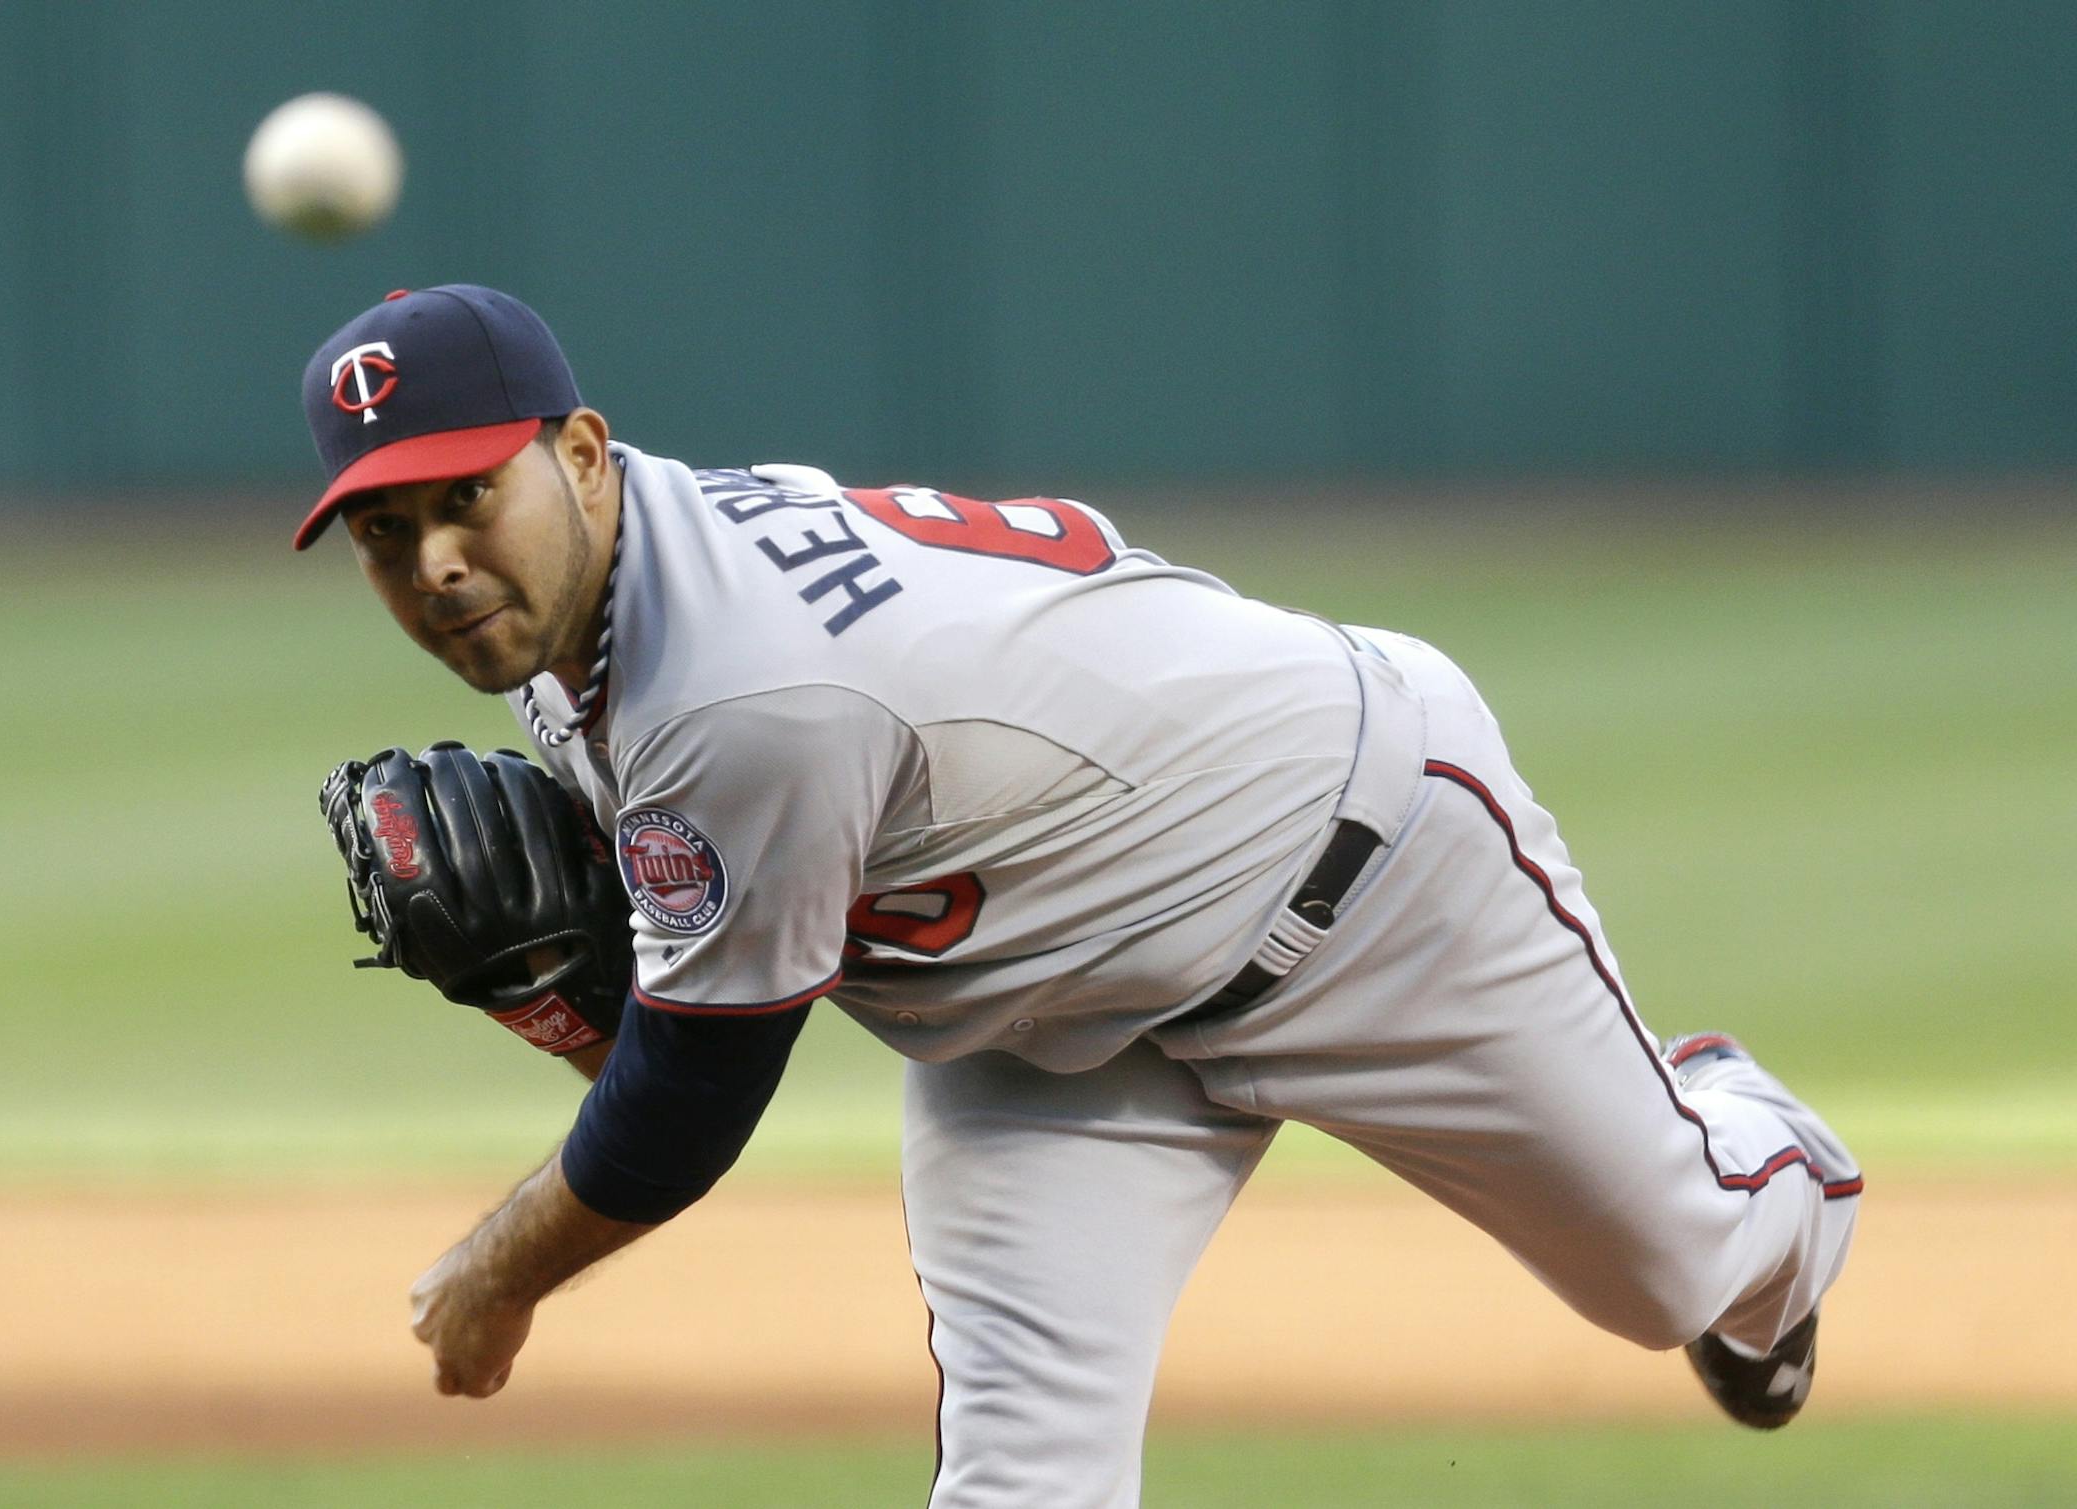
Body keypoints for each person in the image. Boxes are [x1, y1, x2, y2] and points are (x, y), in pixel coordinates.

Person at [295, 284, 1862, 1506]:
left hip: (1364, 876)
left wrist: (494, 1282)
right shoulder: (579, 606)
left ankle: (1751, 1142)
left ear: (579, 453)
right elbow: (668, 1008)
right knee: (1021, 1479)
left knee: (1670, 1272)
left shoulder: (734, 691)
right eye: (385, 530)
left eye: (463, 498)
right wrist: (565, 990)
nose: (433, 562)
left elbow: (689, 1098)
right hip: (1047, 1030)